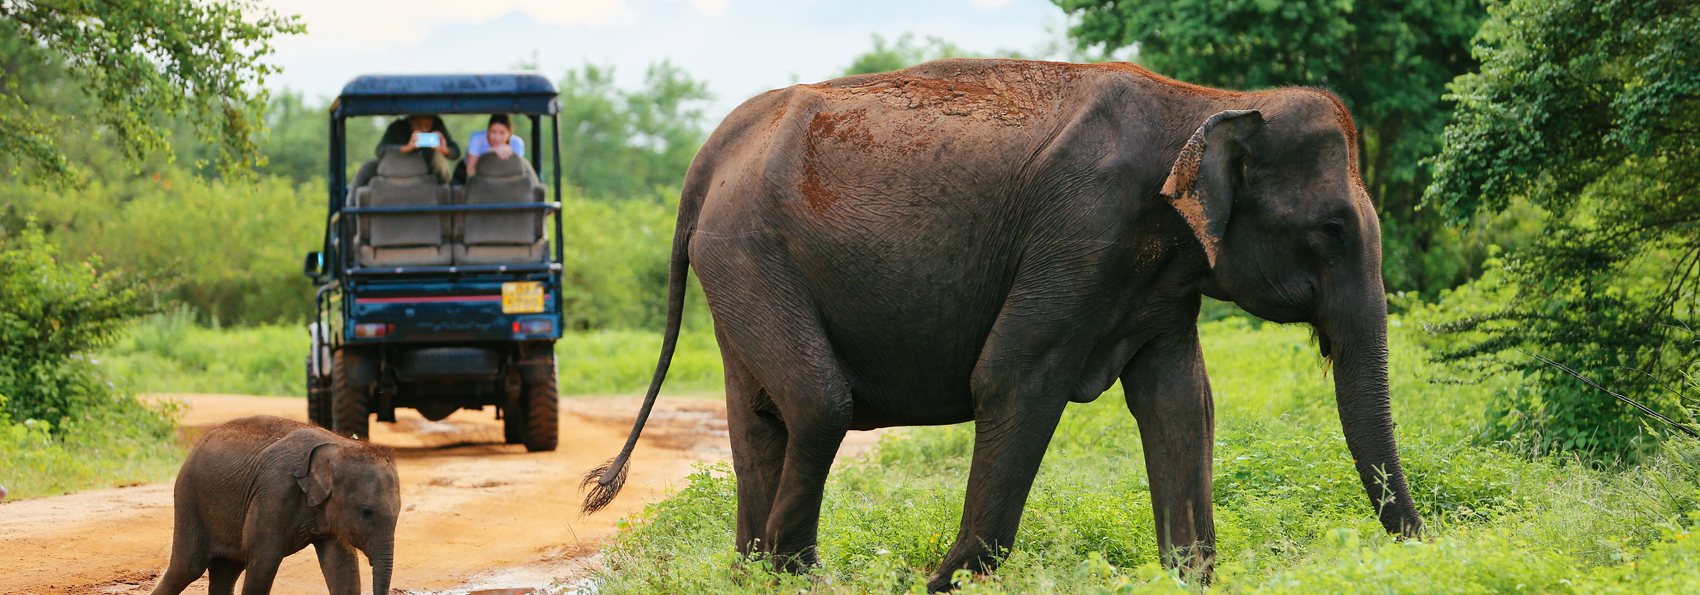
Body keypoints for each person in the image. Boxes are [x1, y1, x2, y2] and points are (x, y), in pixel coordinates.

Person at [376, 114, 460, 182]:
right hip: (398, 176)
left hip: (430, 176)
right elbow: (380, 151)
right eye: (419, 125)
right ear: (410, 120)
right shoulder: (397, 127)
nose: (424, 129)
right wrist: (406, 148)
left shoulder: (437, 127)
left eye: (428, 125)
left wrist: (445, 150)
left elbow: (456, 153)